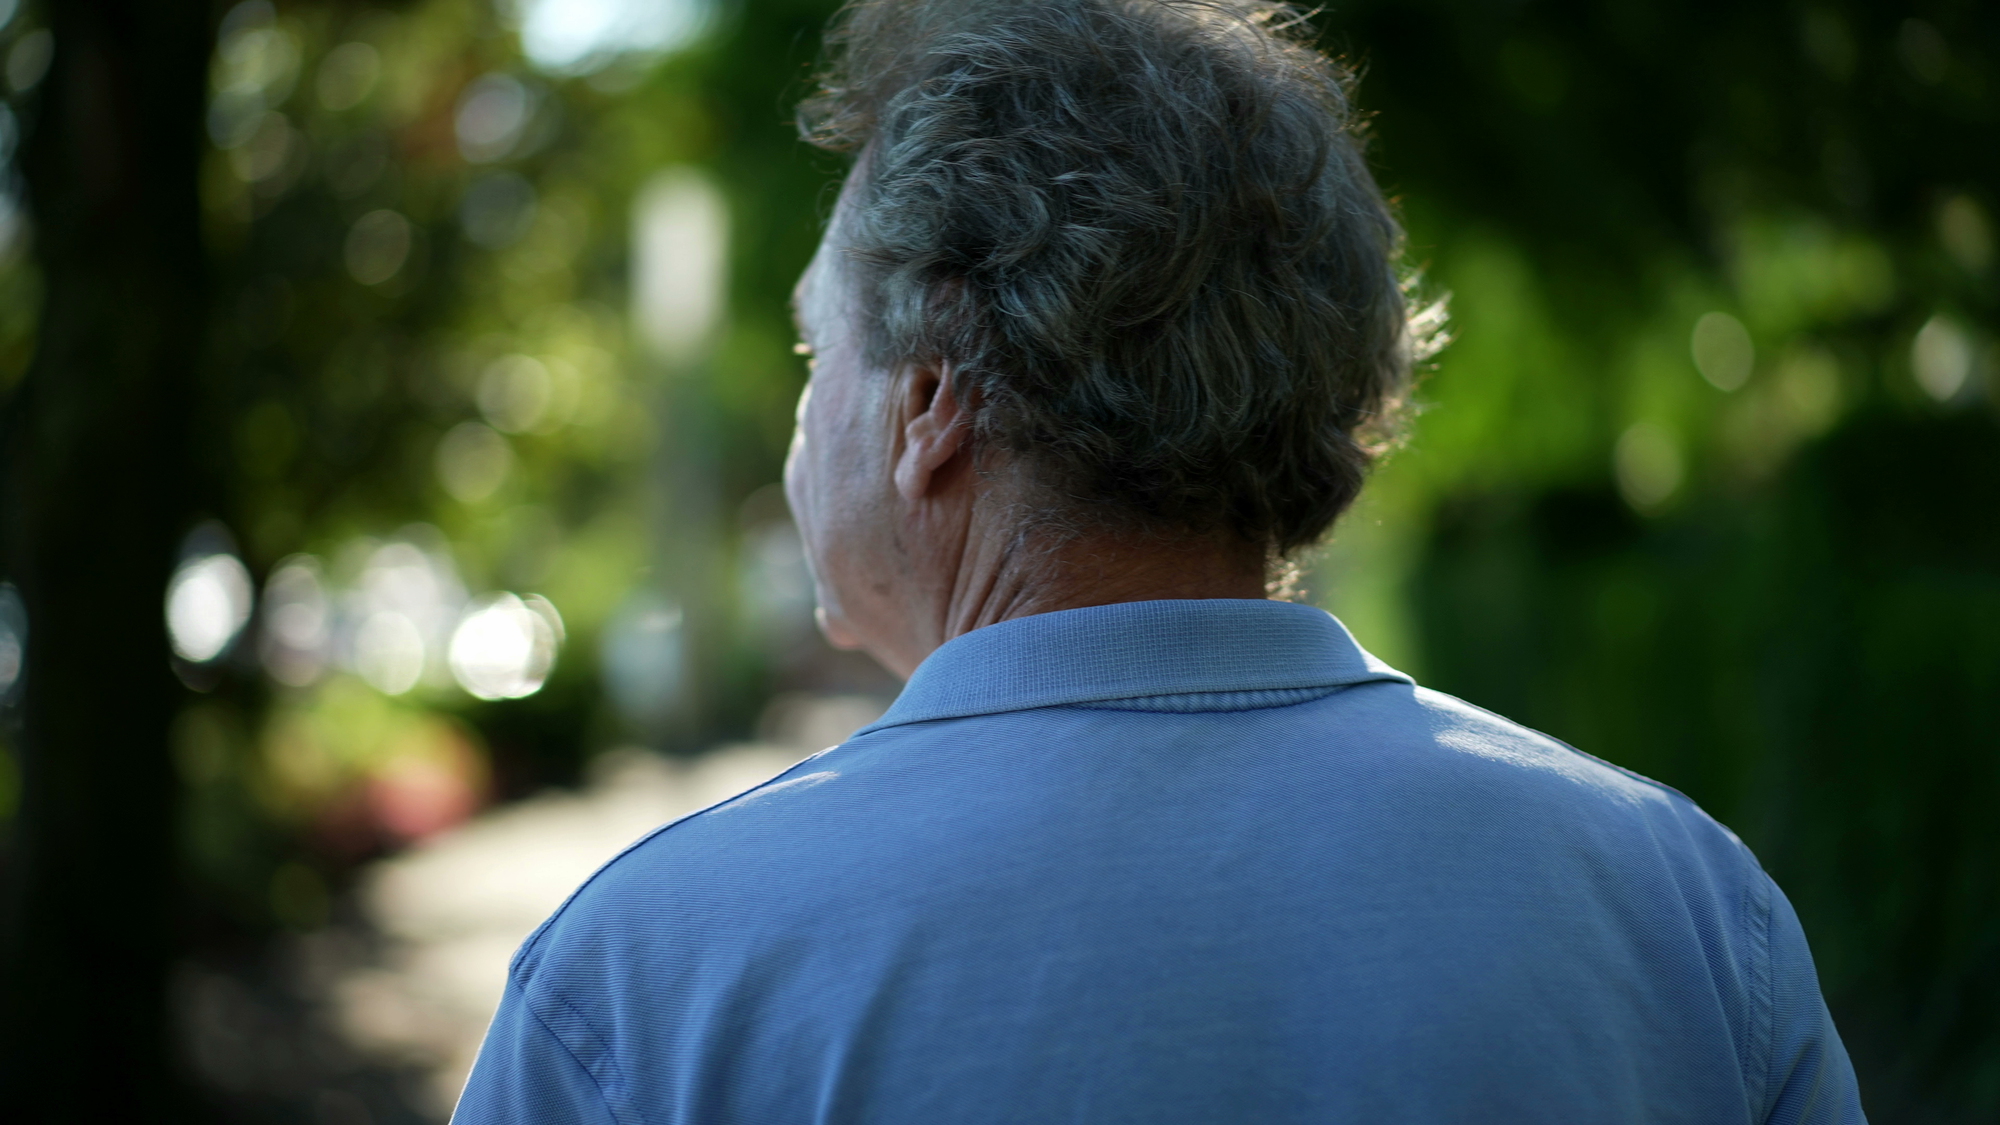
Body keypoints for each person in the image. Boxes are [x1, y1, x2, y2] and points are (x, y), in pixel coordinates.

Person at [453, 1, 1864, 1121]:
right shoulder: (1679, 910)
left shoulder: (650, 975)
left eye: (823, 351)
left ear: (930, 404)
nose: (804, 407)